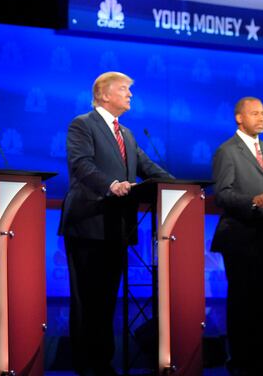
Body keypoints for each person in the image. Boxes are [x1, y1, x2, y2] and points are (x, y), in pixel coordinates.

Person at [59, 71, 171, 376]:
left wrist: (182, 187)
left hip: (117, 227)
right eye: (124, 90)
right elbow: (81, 165)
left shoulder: (128, 134)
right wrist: (112, 185)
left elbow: (148, 167)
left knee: (108, 299)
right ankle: (87, 365)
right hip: (88, 223)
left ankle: (103, 362)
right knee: (87, 300)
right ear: (104, 94)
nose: (130, 95)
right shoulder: (83, 124)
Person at [211, 96, 263, 376]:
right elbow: (223, 194)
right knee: (243, 300)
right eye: (254, 113)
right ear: (239, 118)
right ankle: (240, 361)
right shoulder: (227, 151)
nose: (261, 118)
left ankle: (260, 360)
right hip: (240, 236)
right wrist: (252, 201)